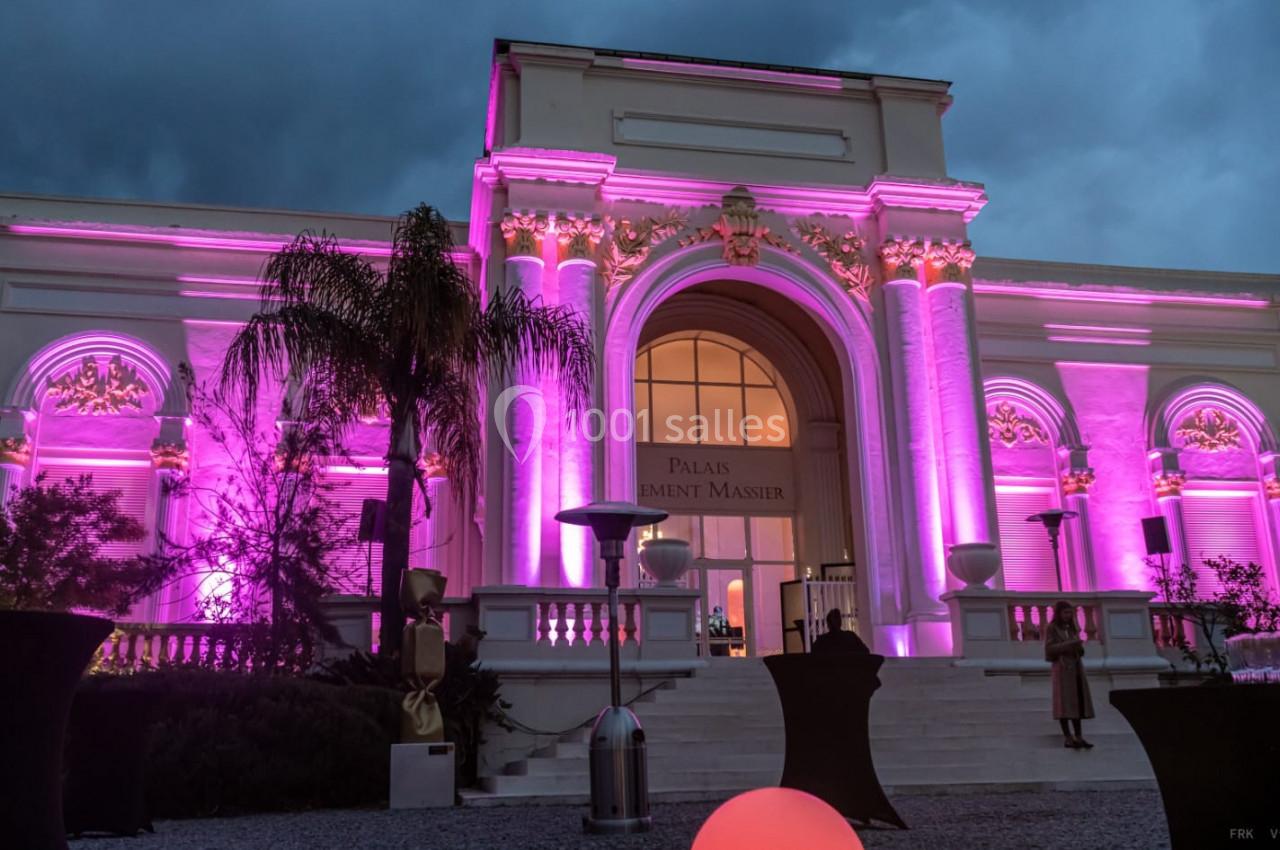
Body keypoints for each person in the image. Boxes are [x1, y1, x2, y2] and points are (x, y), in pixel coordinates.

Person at [1045, 600, 1095, 749]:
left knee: (1077, 701)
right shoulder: (1052, 628)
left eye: (1070, 613)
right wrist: (1069, 644)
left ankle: (1079, 736)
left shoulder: (1071, 628)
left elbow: (1077, 647)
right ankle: (1067, 736)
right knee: (1064, 703)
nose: (1068, 616)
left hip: (1075, 666)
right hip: (1062, 668)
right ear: (1059, 613)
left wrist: (1078, 647)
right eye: (1065, 612)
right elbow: (1049, 649)